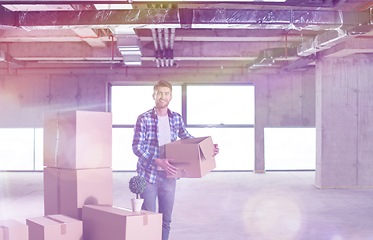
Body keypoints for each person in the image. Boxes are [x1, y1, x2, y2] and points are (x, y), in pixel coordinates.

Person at [132, 80, 219, 240]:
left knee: (166, 219)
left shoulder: (176, 118)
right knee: (149, 219)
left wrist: (208, 148)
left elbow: (188, 139)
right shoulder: (143, 119)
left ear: (170, 97)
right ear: (154, 95)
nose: (162, 97)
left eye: (166, 93)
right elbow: (137, 147)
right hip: (148, 175)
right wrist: (158, 161)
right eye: (159, 93)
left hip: (169, 176)